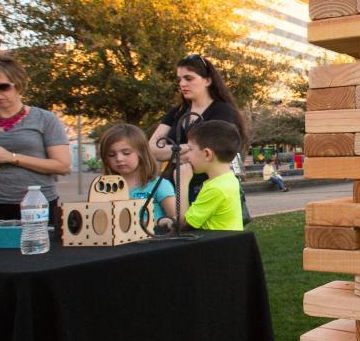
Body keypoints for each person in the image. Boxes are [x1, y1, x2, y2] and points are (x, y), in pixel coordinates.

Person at [0, 53, 71, 227]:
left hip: (34, 204)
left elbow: (62, 166)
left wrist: (10, 157)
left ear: (18, 85)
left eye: (1, 86)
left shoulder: (45, 119)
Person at [149, 53, 248, 204]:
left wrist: (171, 152)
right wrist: (189, 149)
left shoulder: (223, 111)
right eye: (180, 79)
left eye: (189, 78)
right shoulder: (177, 112)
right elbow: (152, 149)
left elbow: (214, 154)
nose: (182, 84)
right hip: (174, 188)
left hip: (208, 191)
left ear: (207, 80)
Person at [98, 123, 177, 226]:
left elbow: (175, 219)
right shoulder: (103, 188)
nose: (119, 159)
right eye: (111, 155)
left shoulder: (160, 185)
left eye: (126, 153)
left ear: (142, 153)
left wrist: (159, 222)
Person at [181, 120, 243, 231]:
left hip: (215, 246)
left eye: (190, 149)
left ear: (207, 154)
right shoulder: (227, 179)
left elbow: (184, 223)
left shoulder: (215, 188)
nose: (186, 155)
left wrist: (183, 184)